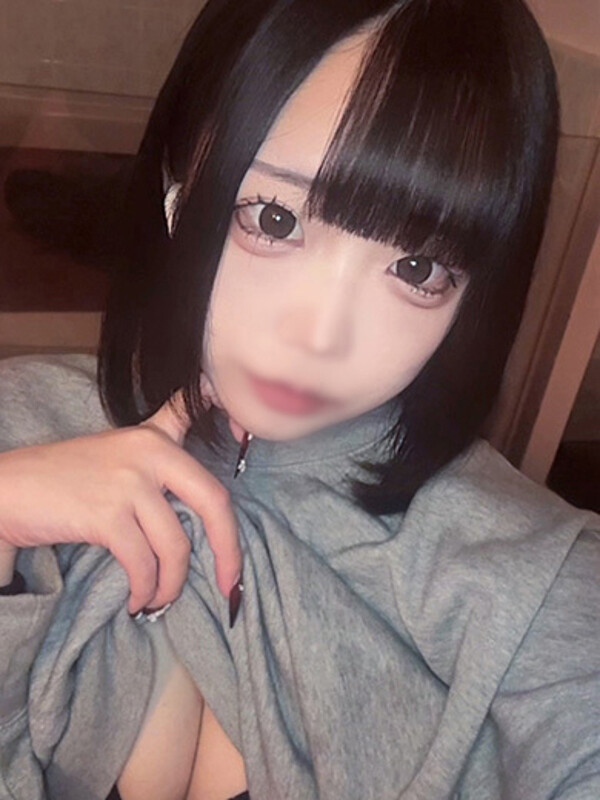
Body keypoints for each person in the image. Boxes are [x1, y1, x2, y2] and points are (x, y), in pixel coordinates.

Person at [0, 0, 599, 798]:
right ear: (181, 184)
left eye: (417, 269)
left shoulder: (529, 578)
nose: (320, 336)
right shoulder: (21, 435)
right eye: (275, 218)